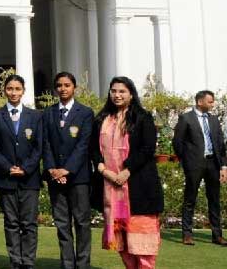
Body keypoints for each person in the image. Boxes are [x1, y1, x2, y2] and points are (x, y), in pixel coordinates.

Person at [91, 76, 164, 269]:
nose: (117, 95)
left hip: (138, 187)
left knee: (142, 243)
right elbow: (93, 148)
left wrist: (127, 170)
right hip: (111, 189)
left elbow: (147, 148)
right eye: (114, 91)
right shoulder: (102, 119)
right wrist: (101, 167)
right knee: (122, 242)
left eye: (122, 91)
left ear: (131, 95)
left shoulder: (143, 117)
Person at [0, 74, 42, 269]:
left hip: (29, 179)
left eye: (17, 89)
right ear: (4, 91)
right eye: (10, 89)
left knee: (29, 223)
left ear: (23, 91)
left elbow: (39, 147)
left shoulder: (36, 116)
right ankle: (15, 260)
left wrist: (26, 168)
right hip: (6, 178)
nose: (13, 92)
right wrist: (7, 167)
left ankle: (28, 261)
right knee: (11, 222)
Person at [42, 71, 94, 269]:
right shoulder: (47, 113)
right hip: (55, 177)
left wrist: (67, 170)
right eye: (59, 85)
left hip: (78, 177)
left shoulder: (85, 112)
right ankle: (67, 264)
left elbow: (83, 145)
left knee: (82, 223)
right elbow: (45, 144)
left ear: (74, 88)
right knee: (62, 224)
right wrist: (53, 170)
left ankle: (82, 264)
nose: (62, 89)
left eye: (67, 85)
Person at [172, 89, 227, 246]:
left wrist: (223, 167)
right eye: (210, 101)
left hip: (213, 165)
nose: (212, 104)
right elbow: (177, 142)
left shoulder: (215, 120)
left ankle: (217, 236)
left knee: (214, 200)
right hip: (194, 165)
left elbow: (221, 145)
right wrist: (186, 161)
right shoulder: (186, 118)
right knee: (190, 199)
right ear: (200, 102)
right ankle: (187, 235)